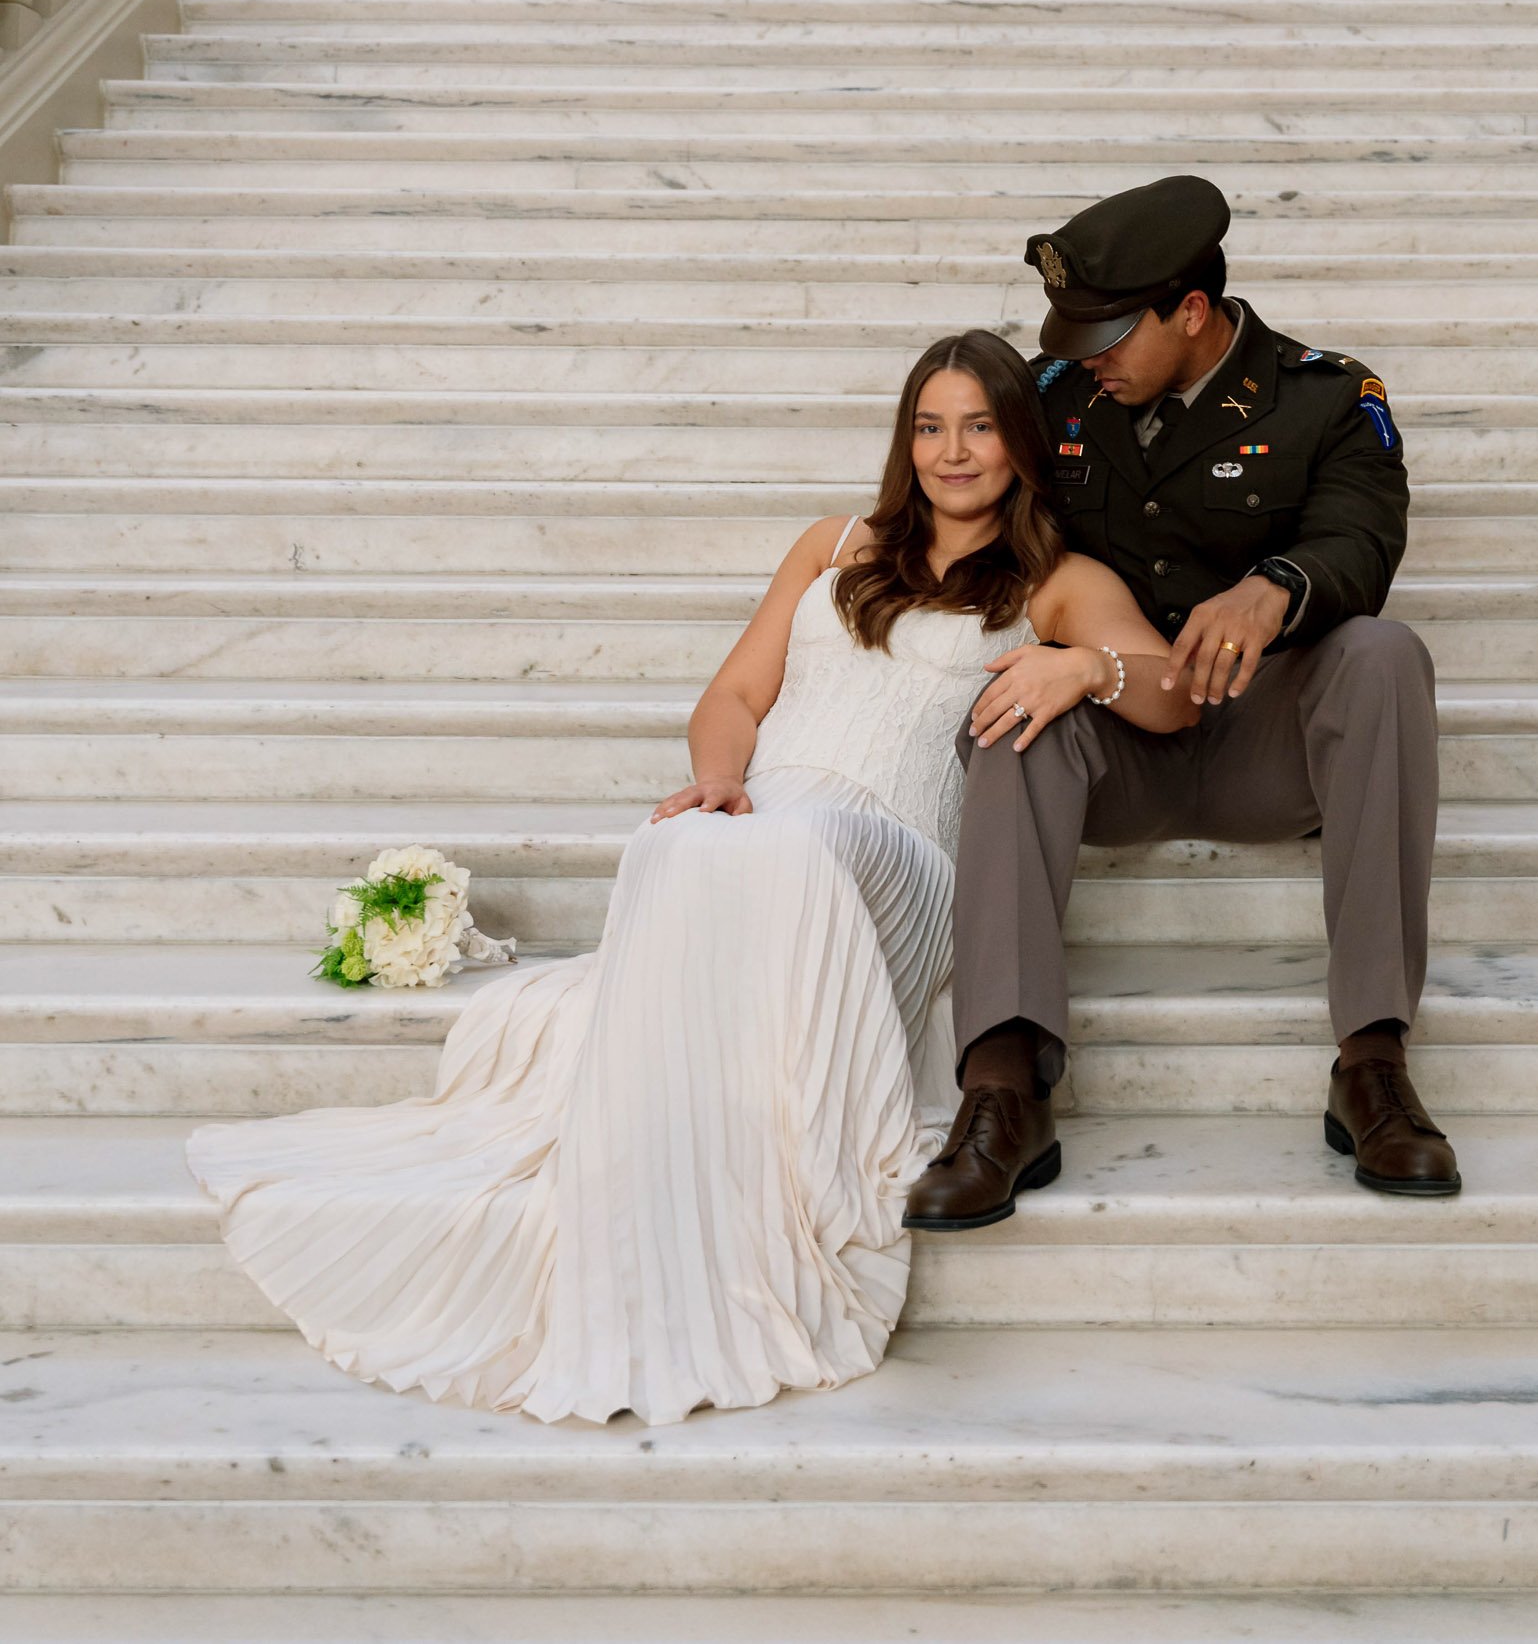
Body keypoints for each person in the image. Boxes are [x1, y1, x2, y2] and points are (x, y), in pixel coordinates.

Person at [188, 331, 1194, 1426]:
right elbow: (731, 698)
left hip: (897, 859)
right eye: (928, 424)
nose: (952, 451)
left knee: (790, 849)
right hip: (770, 811)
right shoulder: (832, 543)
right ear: (905, 441)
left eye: (979, 425)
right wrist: (721, 782)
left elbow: (1171, 698)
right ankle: (668, 1163)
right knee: (679, 840)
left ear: (1022, 441)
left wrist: (1086, 663)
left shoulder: (1057, 581)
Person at [906, 176, 1457, 1236]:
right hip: (1111, 741)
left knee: (1384, 656)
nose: (1089, 356)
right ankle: (1002, 1090)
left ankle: (1373, 1062)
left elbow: (1361, 537)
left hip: (1263, 738)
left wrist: (1279, 584)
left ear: (1190, 311)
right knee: (1016, 704)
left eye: (1112, 333)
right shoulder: (1058, 394)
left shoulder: (1325, 397)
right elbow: (956, 481)